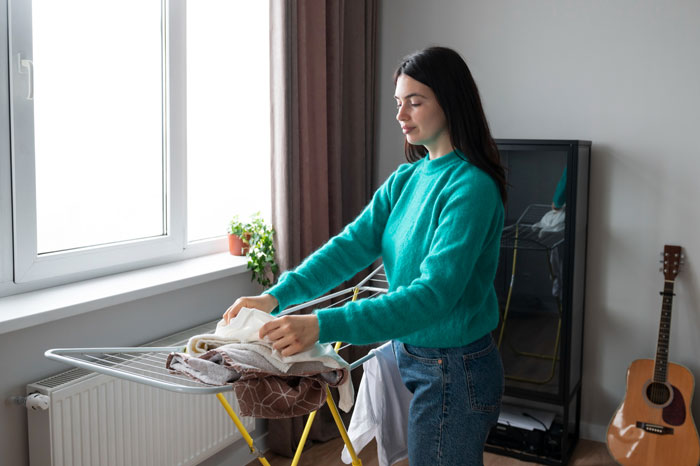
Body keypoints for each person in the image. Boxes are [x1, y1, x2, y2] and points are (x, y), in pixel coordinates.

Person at [223, 46, 507, 466]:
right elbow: (349, 247)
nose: (401, 114)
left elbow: (433, 295)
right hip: (414, 357)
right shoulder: (407, 178)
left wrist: (322, 324)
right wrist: (275, 298)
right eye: (398, 102)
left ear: (450, 101)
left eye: (415, 101)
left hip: (455, 370)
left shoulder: (471, 188)